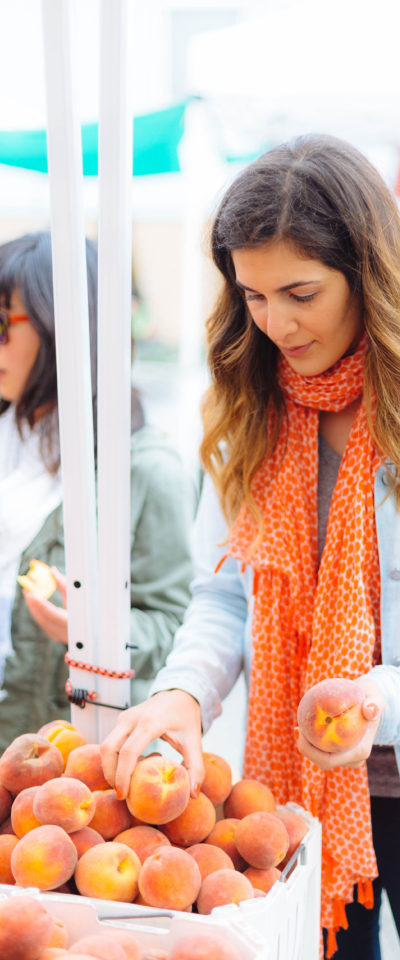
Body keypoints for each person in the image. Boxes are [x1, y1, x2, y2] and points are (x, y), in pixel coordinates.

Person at [101, 135, 400, 960]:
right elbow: (226, 593)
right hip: (288, 806)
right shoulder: (251, 405)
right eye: (253, 295)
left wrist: (383, 703)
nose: (276, 323)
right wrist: (183, 695)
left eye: (301, 292)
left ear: (370, 271)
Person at [0, 231, 195, 749]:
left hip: (63, 770)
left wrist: (96, 630)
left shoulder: (147, 471)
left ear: (63, 326)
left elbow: (179, 630)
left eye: (2, 323)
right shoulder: (9, 435)